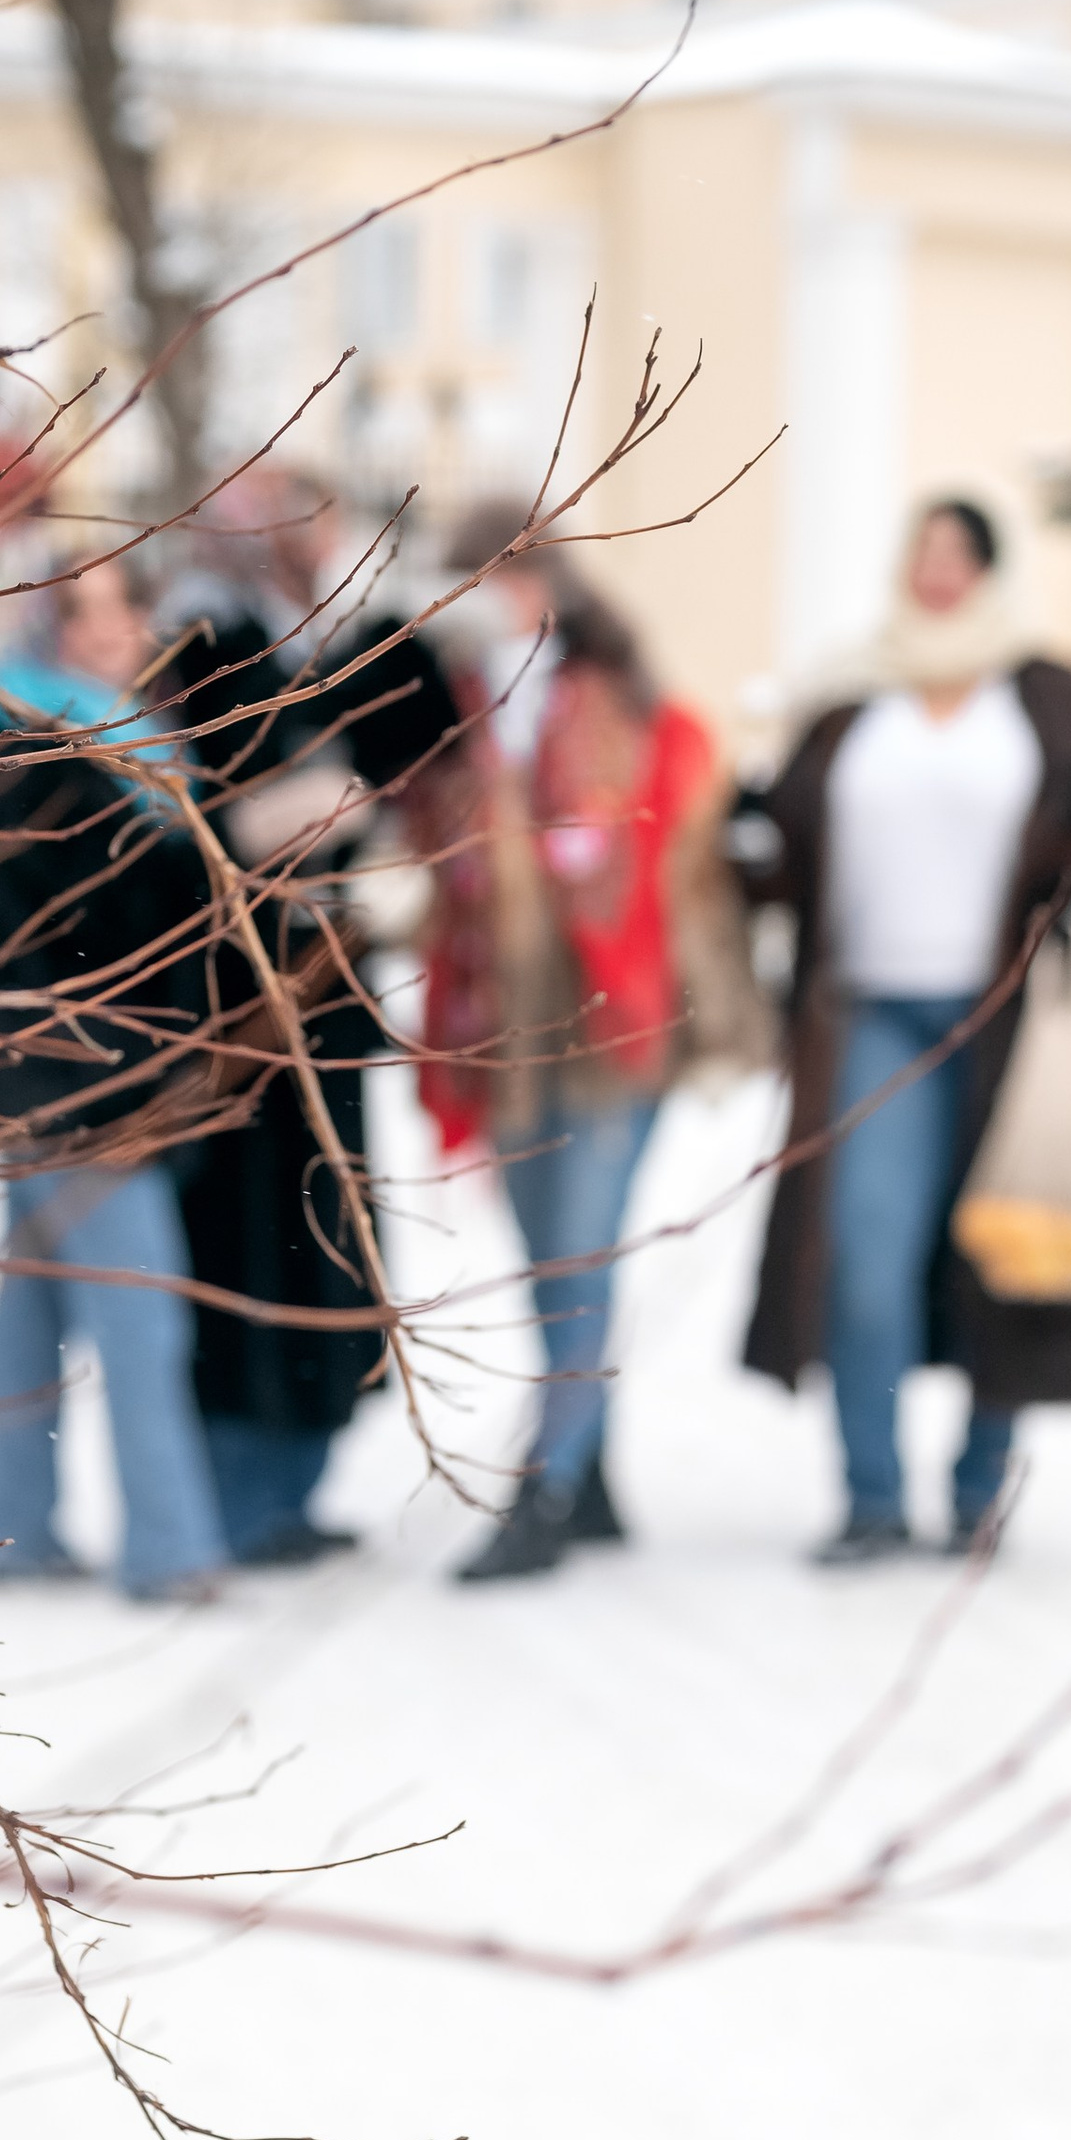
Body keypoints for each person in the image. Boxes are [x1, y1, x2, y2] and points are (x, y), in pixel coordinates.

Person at [739, 495, 1071, 1562]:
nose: (937, 572)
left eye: (958, 554)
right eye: (921, 552)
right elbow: (784, 836)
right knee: (864, 1253)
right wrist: (747, 829)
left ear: (990, 569)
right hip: (873, 1011)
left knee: (1005, 1245)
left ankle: (976, 1493)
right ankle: (870, 1497)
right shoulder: (849, 696)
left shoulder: (1043, 693)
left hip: (1013, 1018)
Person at [414, 500, 762, 1583]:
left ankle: (545, 1489)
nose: (479, 600)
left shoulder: (616, 700)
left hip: (614, 1017)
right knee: (544, 1261)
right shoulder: (461, 704)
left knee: (580, 1256)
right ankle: (595, 1472)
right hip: (504, 1020)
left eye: (493, 577)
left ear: (539, 579)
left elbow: (652, 841)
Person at [158, 472, 462, 1566]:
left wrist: (337, 789)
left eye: (320, 523)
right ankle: (239, 1495)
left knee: (329, 1240)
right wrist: (328, 794)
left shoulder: (355, 641)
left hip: (326, 1001)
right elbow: (229, 811)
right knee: (244, 1249)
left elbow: (422, 742)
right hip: (234, 1007)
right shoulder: (202, 638)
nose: (306, 543)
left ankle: (291, 1483)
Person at [0, 548, 231, 1602]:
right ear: (61, 630)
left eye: (131, 615)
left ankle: (13, 1527)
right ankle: (170, 1549)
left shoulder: (41, 734)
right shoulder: (51, 745)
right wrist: (226, 854)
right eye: (102, 618)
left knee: (29, 1310)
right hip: (85, 1086)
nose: (123, 635)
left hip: (31, 1074)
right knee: (141, 1315)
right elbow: (100, 914)